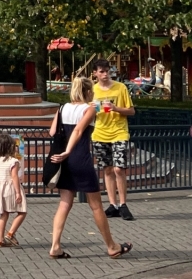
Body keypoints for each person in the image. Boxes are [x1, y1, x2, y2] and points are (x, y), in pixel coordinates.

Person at [47, 76, 131, 260]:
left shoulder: (62, 108)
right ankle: (112, 246)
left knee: (64, 203)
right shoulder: (90, 108)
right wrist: (69, 150)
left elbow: (52, 132)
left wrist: (63, 151)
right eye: (91, 91)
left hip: (64, 161)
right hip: (79, 158)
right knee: (96, 206)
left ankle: (55, 246)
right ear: (87, 92)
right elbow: (78, 130)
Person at [91, 58, 136, 221]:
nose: (104, 74)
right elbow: (88, 111)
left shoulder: (120, 88)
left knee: (119, 168)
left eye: (107, 71)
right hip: (100, 133)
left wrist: (116, 108)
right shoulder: (93, 90)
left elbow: (132, 111)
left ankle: (123, 204)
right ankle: (113, 205)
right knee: (108, 169)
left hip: (119, 132)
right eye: (101, 71)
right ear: (95, 73)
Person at [0, 133, 27, 247]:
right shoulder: (13, 161)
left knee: (4, 214)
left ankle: (0, 240)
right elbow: (14, 176)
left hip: (0, 188)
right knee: (22, 211)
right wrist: (17, 192)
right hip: (10, 187)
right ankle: (10, 234)